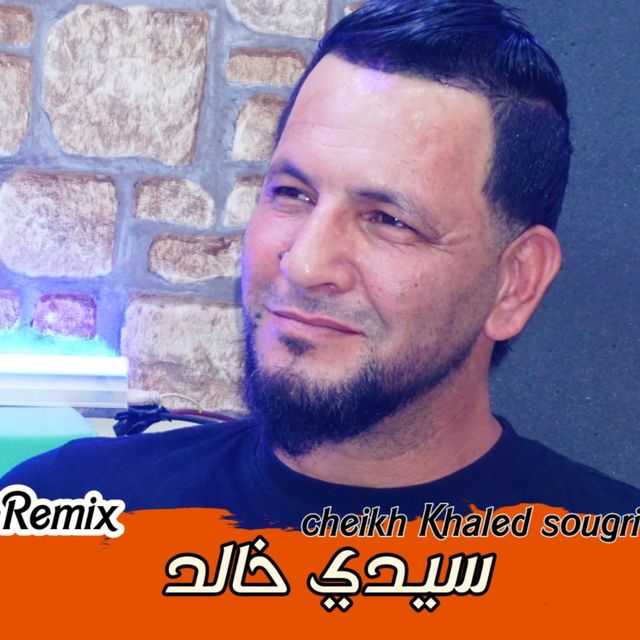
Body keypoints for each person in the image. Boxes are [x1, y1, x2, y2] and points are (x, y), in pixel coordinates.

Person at [2, 0, 638, 528]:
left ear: (514, 283)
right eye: (292, 193)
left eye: (388, 220)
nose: (303, 264)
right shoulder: (62, 516)